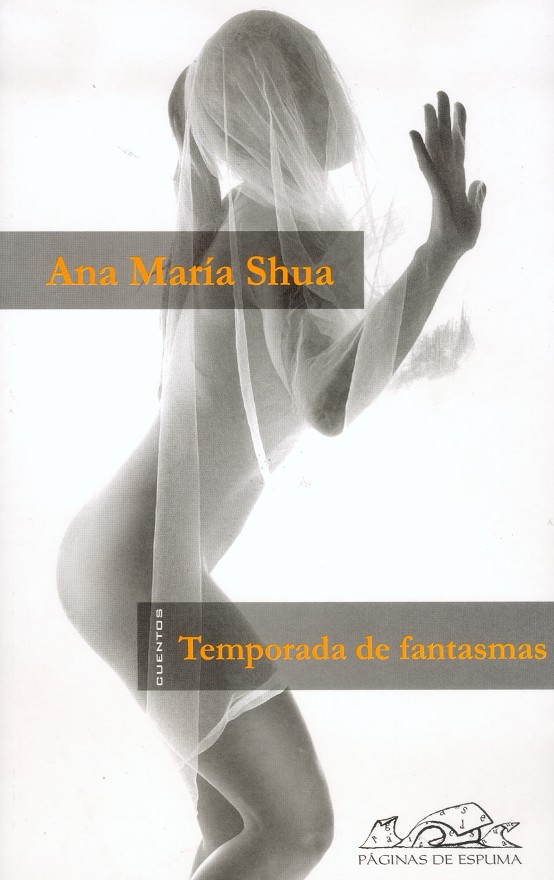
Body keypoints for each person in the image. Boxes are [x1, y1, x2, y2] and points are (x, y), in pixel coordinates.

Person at [56, 10, 486, 879]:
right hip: (136, 566)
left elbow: (285, 376)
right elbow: (325, 402)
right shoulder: (279, 223)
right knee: (295, 829)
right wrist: (441, 252)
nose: (332, 98)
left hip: (116, 560)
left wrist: (409, 357)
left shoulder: (254, 214)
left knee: (238, 831)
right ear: (275, 104)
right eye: (310, 82)